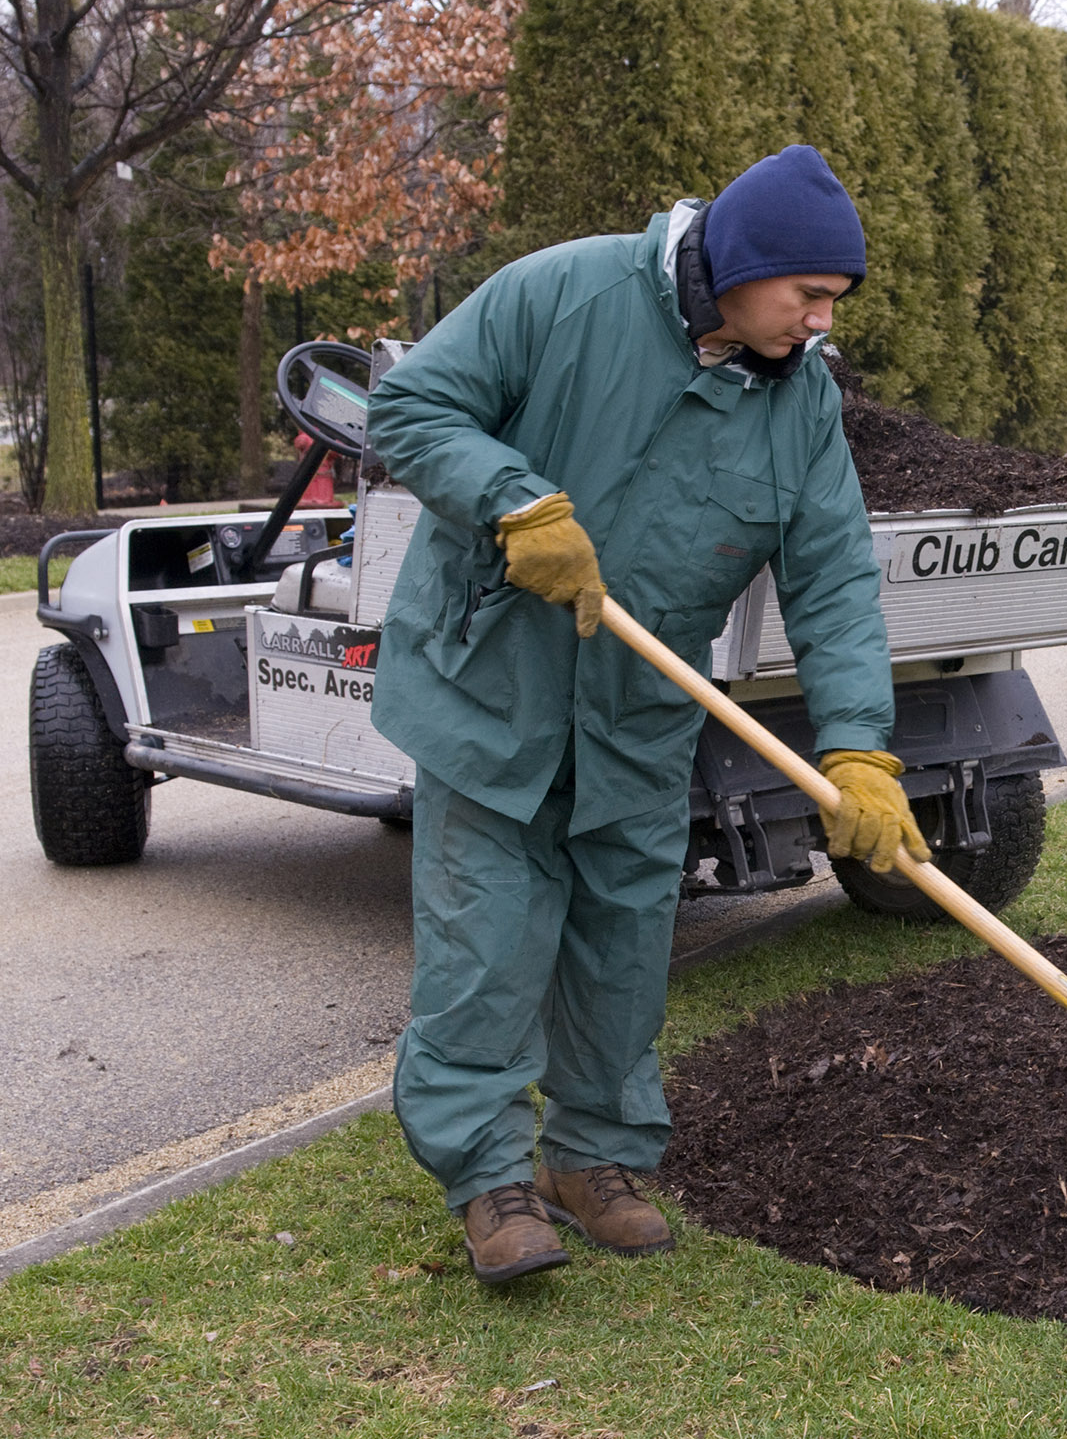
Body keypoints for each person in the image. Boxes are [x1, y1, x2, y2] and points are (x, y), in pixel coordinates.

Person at [366, 145, 928, 1285]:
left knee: (624, 944)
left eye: (834, 302)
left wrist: (861, 745)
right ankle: (489, 1180)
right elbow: (412, 406)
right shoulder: (563, 291)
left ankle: (594, 1160)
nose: (821, 323)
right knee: (489, 946)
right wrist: (513, 500)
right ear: (743, 265)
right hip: (495, 686)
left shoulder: (800, 400)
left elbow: (832, 580)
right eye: (808, 295)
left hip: (640, 706)